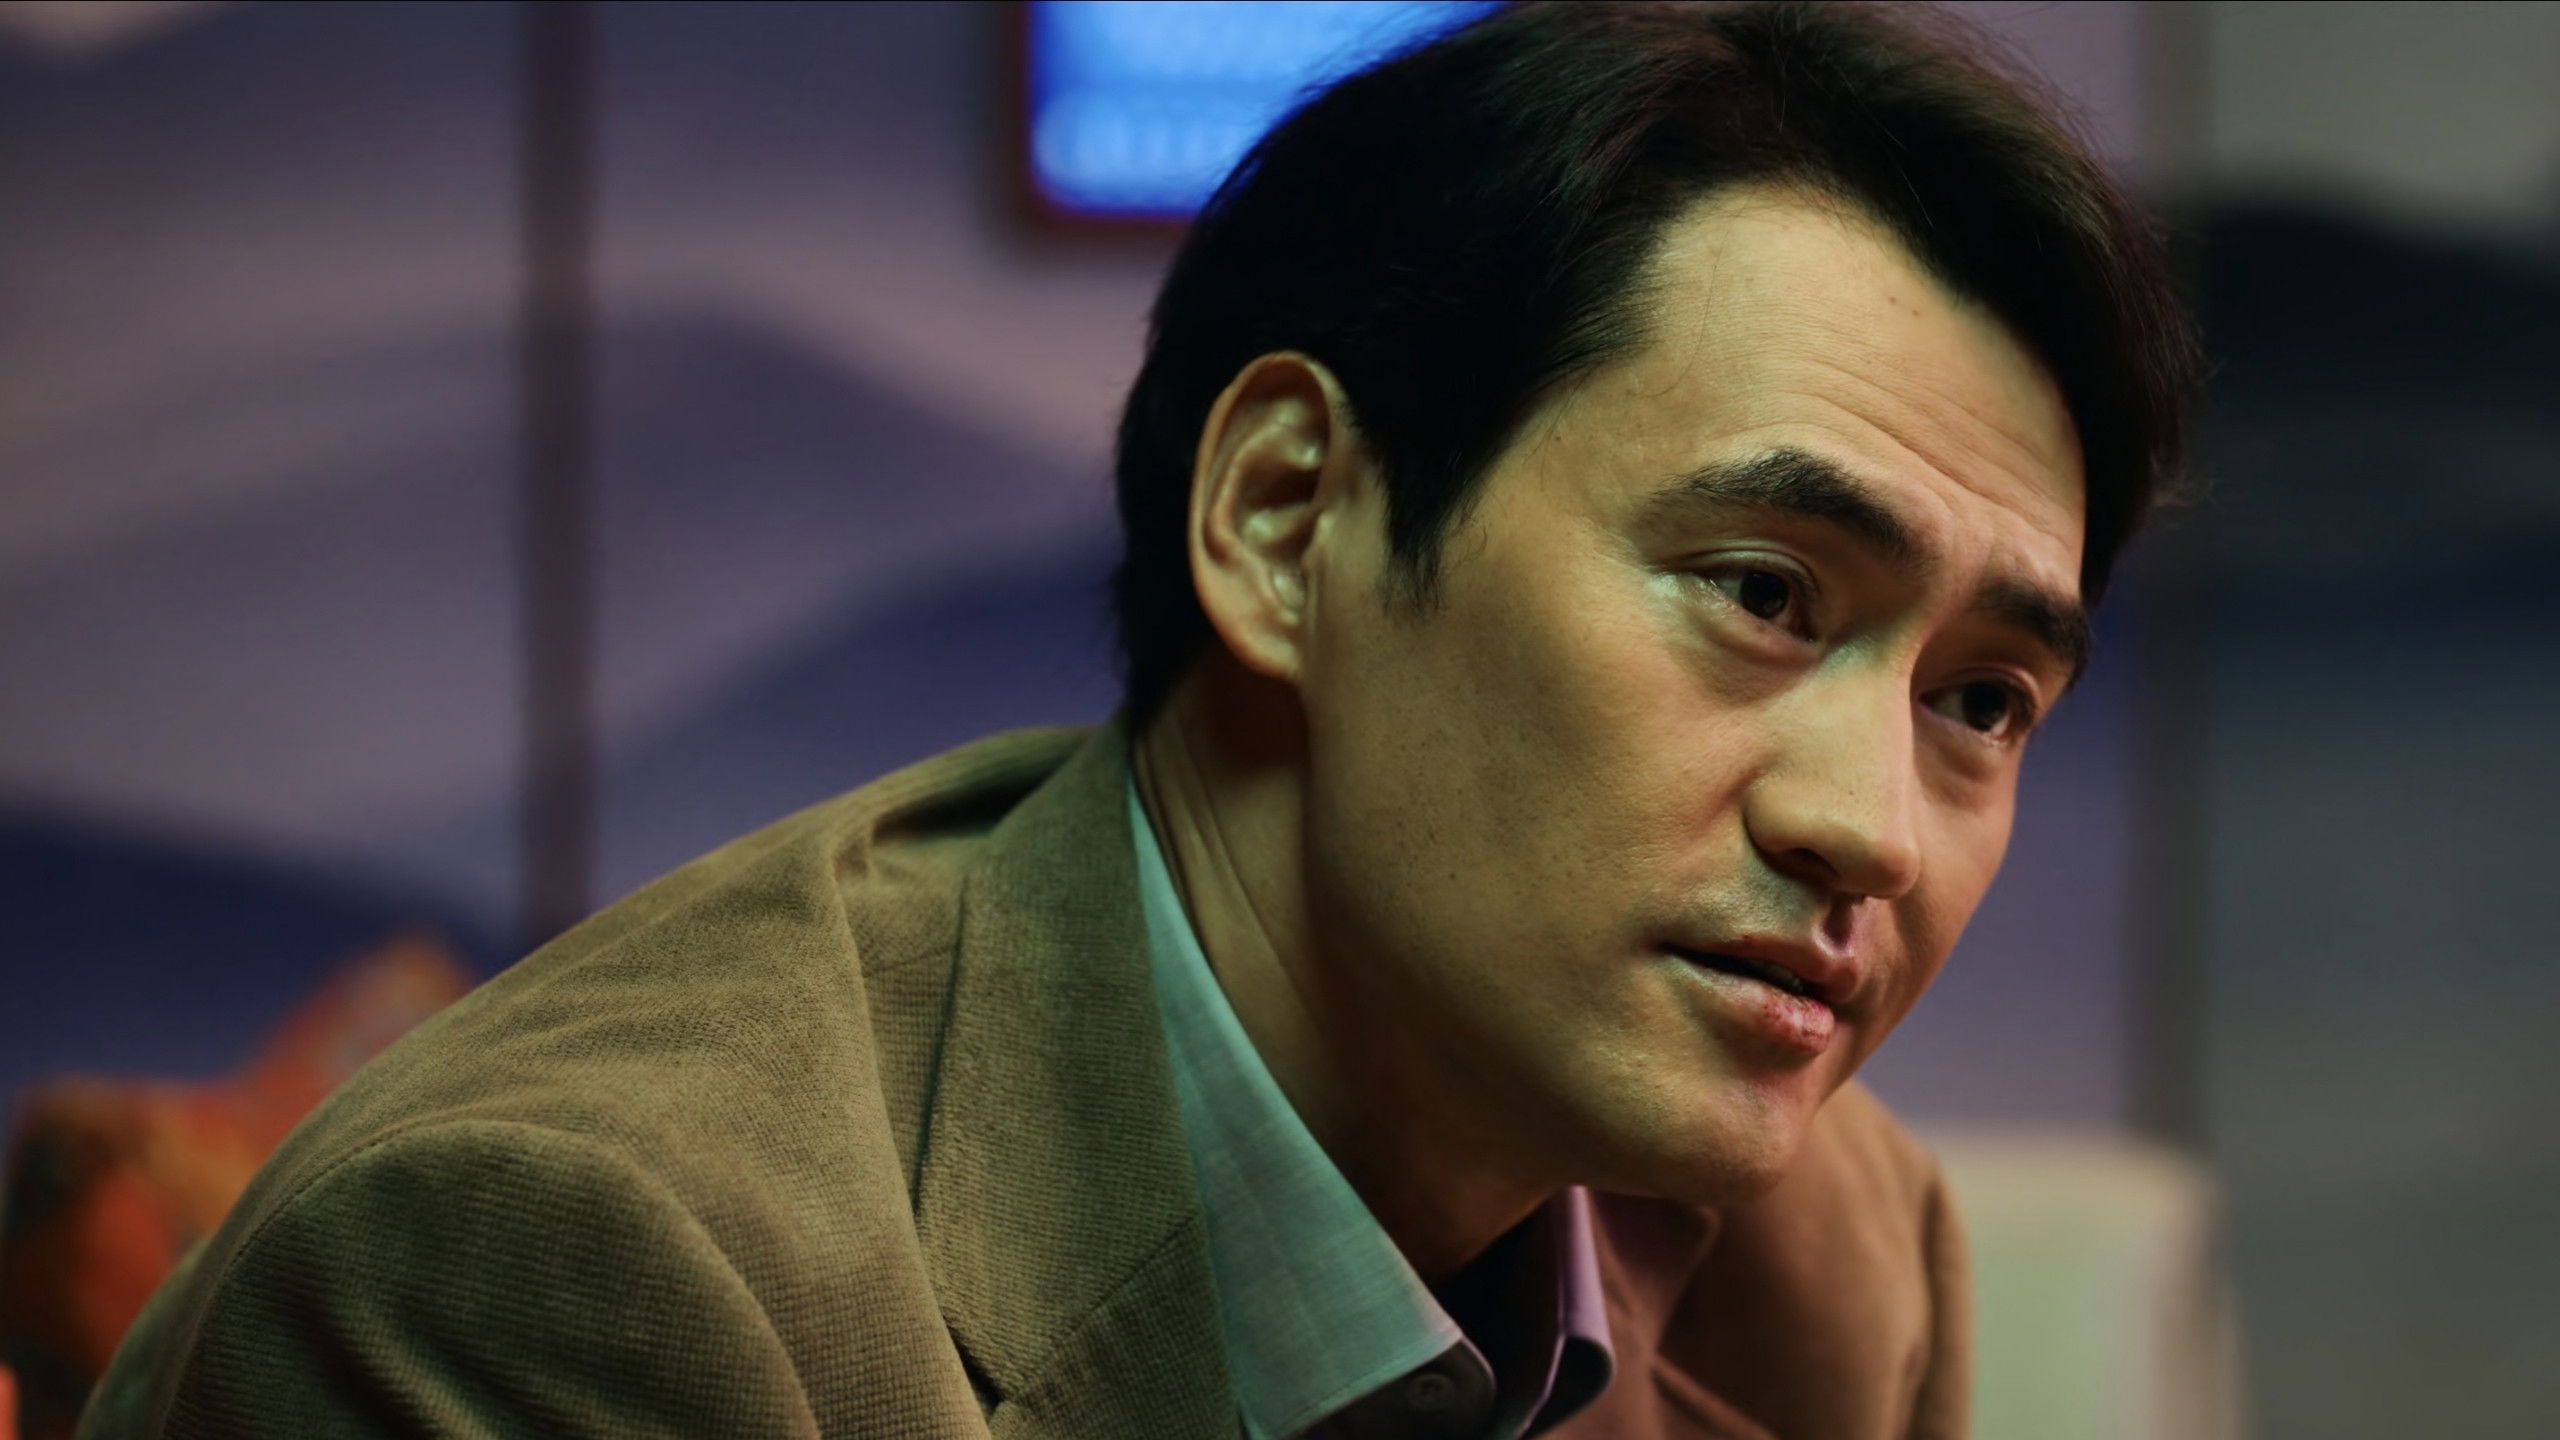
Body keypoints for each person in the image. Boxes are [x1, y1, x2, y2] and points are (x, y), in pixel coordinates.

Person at [82, 3, 2195, 1437]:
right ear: (1285, 524)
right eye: (1758, 594)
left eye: (1980, 701)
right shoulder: (572, 1276)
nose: (1874, 828)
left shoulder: (1832, 1261)